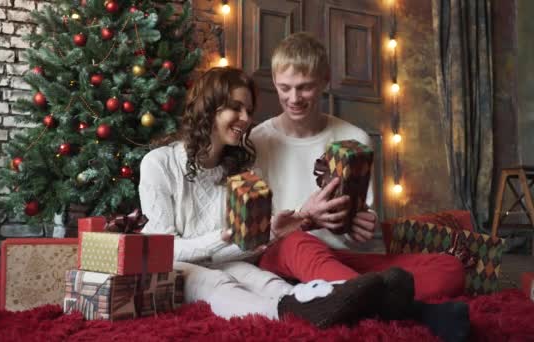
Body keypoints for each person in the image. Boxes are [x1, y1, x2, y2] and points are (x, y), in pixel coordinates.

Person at [138, 66, 406, 328]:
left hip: (229, 261)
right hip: (177, 269)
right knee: (217, 284)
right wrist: (222, 238)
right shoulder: (159, 164)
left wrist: (272, 232)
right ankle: (286, 314)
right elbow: (163, 251)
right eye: (235, 107)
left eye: (249, 110)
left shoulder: (242, 167)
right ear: (208, 106)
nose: (245, 118)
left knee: (265, 281)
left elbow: (246, 249)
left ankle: (338, 300)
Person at [250, 32, 470, 341]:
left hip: (341, 261)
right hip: (286, 256)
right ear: (274, 81)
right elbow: (258, 238)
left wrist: (360, 230)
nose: (294, 98)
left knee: (449, 268)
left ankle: (345, 296)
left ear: (325, 80)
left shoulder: (353, 138)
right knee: (297, 243)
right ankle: (417, 313)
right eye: (285, 88)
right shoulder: (257, 141)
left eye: (305, 87)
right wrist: (304, 217)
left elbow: (359, 233)